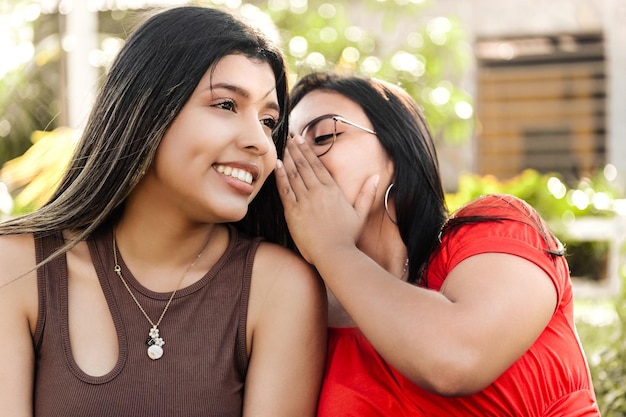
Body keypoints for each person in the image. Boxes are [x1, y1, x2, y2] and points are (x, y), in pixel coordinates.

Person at [0, 6, 326, 417]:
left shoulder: (279, 287)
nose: (260, 142)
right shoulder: (18, 267)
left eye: (268, 120)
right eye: (226, 105)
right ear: (146, 107)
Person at [275, 71, 600, 416]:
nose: (298, 161)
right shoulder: (301, 314)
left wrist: (334, 250)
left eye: (323, 135)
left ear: (396, 151)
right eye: (285, 148)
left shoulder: (497, 228)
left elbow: (455, 360)